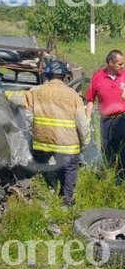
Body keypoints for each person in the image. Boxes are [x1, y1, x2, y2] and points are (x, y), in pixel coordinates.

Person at [5, 60, 90, 206]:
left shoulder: (36, 91)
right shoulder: (73, 95)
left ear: (47, 75)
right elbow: (82, 123)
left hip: (43, 141)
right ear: (64, 76)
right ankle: (67, 199)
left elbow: (15, 98)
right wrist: (85, 141)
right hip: (67, 143)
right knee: (69, 168)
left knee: (50, 166)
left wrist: (3, 92)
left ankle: (49, 189)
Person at [85, 50, 125, 179]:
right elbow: (90, 100)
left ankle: (121, 178)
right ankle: (108, 177)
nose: (122, 66)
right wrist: (87, 120)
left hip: (122, 119)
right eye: (120, 64)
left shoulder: (124, 75)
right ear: (110, 63)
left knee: (123, 149)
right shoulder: (97, 77)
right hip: (106, 121)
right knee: (107, 149)